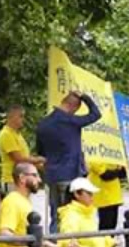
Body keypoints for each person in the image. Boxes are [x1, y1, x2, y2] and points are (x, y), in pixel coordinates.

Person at [36, 92, 101, 233]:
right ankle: (69, 244)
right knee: (71, 213)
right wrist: (85, 97)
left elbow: (41, 153)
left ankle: (54, 244)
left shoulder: (42, 124)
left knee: (56, 214)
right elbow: (96, 114)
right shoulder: (72, 121)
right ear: (73, 106)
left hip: (52, 175)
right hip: (71, 175)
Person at [0, 162, 76, 247]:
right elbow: (5, 234)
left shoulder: (25, 201)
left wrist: (57, 246)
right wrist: (31, 242)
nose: (40, 180)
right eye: (35, 175)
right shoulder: (11, 201)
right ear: (22, 178)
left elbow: (35, 237)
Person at [58, 178, 126, 247]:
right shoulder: (71, 215)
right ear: (77, 194)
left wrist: (110, 242)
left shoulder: (87, 213)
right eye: (89, 194)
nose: (92, 197)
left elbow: (93, 239)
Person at [0, 104, 45, 193]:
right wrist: (39, 159)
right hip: (11, 180)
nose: (23, 119)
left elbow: (25, 157)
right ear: (11, 117)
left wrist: (41, 166)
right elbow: (18, 158)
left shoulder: (18, 135)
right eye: (21, 116)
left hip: (23, 180)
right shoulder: (6, 134)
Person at [86, 160, 126, 230]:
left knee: (112, 225)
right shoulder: (94, 158)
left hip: (114, 196)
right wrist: (118, 171)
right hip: (103, 197)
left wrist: (121, 170)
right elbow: (105, 175)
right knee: (106, 227)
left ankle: (109, 240)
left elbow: (122, 174)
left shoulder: (113, 157)